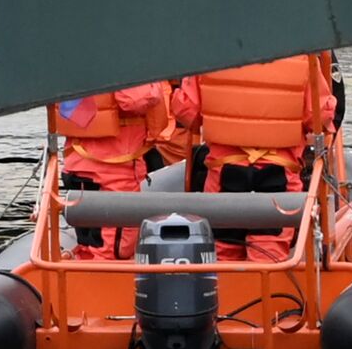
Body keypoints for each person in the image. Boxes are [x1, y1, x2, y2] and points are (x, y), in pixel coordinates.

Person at [172, 53, 337, 262]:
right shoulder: (302, 57)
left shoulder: (209, 55)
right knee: (269, 256)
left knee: (223, 254)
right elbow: (319, 117)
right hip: (278, 175)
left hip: (224, 174)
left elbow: (186, 111)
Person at [54, 82, 170, 260]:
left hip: (76, 161)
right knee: (115, 247)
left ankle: (85, 266)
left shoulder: (67, 63)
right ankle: (100, 273)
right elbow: (135, 99)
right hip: (114, 166)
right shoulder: (122, 63)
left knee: (90, 241)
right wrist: (156, 83)